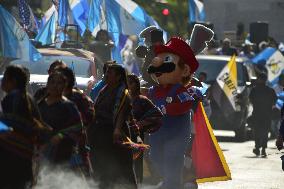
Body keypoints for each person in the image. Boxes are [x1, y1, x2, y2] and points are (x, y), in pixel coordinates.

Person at [88, 64, 137, 189]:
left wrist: (117, 129)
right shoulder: (104, 89)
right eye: (107, 72)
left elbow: (121, 112)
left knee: (122, 167)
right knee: (101, 165)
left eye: (110, 73)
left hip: (115, 132)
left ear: (118, 76)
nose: (106, 75)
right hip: (100, 132)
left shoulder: (123, 92)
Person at [0, 65, 48, 188]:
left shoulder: (12, 99)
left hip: (11, 159)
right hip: (25, 158)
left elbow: (10, 127)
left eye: (5, 77)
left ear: (13, 81)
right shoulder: (28, 98)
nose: (2, 81)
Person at [38, 72, 83, 166]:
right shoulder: (40, 105)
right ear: (47, 85)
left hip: (63, 154)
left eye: (59, 83)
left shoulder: (69, 106)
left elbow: (78, 128)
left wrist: (61, 135)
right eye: (52, 82)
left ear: (64, 86)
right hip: (40, 153)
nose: (55, 86)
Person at [127, 74, 163, 183]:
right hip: (122, 135)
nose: (128, 85)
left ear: (136, 85)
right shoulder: (122, 99)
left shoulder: (142, 100)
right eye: (126, 82)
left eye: (131, 83)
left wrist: (140, 124)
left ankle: (138, 183)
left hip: (137, 136)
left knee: (137, 162)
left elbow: (157, 114)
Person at [249, 73, 277, 157]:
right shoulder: (270, 90)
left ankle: (258, 147)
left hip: (258, 114)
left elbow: (251, 100)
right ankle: (262, 148)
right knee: (264, 131)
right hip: (266, 114)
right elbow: (274, 101)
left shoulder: (254, 90)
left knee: (257, 131)